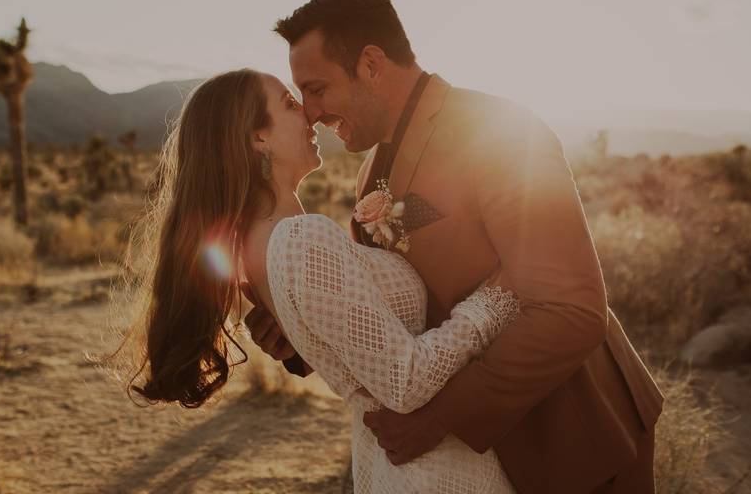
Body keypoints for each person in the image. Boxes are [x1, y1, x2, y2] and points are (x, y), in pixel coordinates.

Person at [245, 0, 664, 493]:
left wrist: (439, 417)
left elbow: (570, 309)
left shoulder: (500, 132)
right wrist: (301, 335)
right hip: (480, 463)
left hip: (578, 440)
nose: (310, 113)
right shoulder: (371, 170)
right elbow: (403, 314)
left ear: (372, 65)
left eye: (317, 89)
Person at [125, 68, 521, 492]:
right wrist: (495, 300)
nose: (309, 117)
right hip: (437, 471)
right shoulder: (300, 239)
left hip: (399, 461)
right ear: (258, 138)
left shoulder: (257, 248)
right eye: (290, 105)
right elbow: (405, 383)